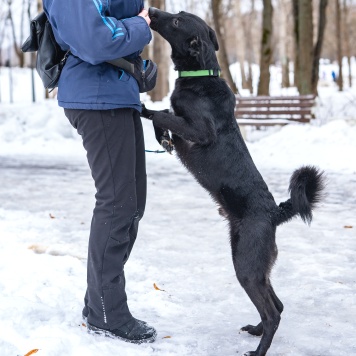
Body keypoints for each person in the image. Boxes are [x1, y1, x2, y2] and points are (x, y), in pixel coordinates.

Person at [42, 0, 156, 344]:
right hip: (95, 98)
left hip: (114, 94)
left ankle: (99, 301)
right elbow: (95, 40)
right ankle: (107, 312)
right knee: (117, 203)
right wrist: (142, 25)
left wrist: (138, 68)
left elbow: (109, 30)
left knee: (132, 203)